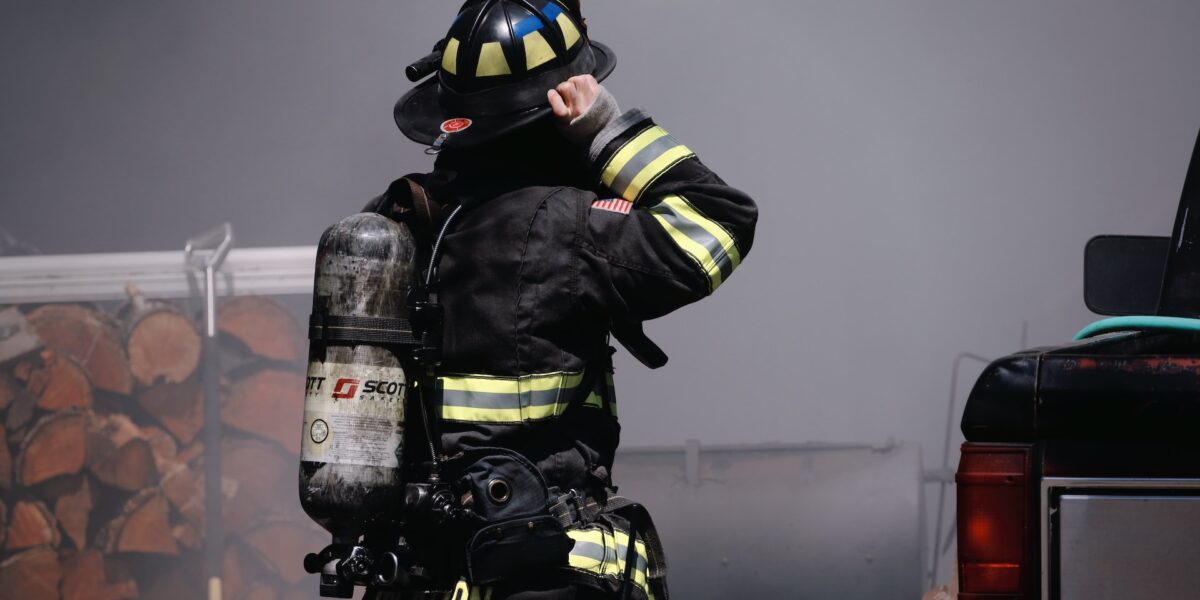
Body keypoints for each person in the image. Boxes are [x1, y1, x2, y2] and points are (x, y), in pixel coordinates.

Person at [373, 1, 757, 598]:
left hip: (417, 573)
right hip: (542, 572)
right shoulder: (564, 229)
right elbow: (719, 223)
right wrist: (607, 131)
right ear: (555, 107)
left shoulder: (394, 225)